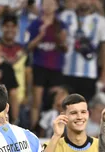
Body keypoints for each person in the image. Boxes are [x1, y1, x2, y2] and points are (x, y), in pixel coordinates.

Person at [27, 0, 67, 130]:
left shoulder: (60, 25)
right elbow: (28, 47)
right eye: (46, 3)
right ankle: (34, 130)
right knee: (36, 102)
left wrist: (60, 39)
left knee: (56, 101)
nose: (48, 6)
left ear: (56, 6)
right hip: (39, 66)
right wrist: (41, 35)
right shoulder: (35, 24)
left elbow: (65, 48)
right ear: (41, 5)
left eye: (51, 3)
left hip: (56, 67)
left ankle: (56, 130)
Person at [59, 0, 105, 101]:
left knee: (83, 109)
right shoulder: (65, 16)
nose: (84, 1)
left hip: (89, 74)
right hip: (65, 71)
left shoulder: (100, 21)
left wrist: (104, 75)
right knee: (64, 107)